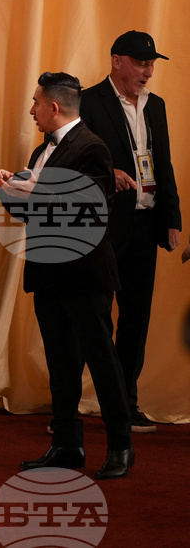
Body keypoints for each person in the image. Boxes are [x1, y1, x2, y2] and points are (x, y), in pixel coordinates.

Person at [0, 71, 133, 480]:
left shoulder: (92, 148)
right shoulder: (40, 153)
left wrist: (32, 189)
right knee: (61, 362)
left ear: (54, 107)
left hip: (86, 276)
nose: (31, 110)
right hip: (49, 275)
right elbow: (31, 214)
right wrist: (7, 190)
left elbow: (86, 211)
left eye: (35, 103)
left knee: (102, 360)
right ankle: (68, 445)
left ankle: (121, 444)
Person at [79, 31, 182, 433]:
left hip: (145, 224)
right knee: (95, 317)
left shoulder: (155, 105)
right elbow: (67, 159)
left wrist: (171, 216)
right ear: (116, 61)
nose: (148, 71)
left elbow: (164, 163)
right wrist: (109, 173)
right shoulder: (87, 102)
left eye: (152, 64)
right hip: (102, 228)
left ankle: (126, 403)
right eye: (141, 63)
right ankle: (71, 407)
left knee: (136, 319)